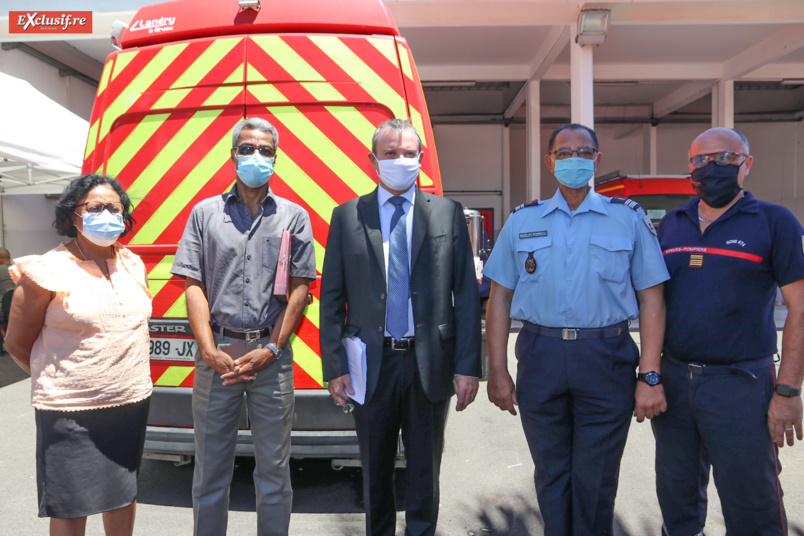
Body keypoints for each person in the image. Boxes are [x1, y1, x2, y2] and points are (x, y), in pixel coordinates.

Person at [483, 123, 670, 536]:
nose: (574, 160)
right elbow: (498, 299)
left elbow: (652, 300)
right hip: (541, 354)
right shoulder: (522, 220)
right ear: (550, 161)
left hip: (606, 357)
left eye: (584, 152)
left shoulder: (627, 219)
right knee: (551, 473)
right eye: (564, 153)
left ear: (597, 161)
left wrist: (649, 375)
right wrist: (496, 372)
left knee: (596, 477)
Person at [320, 118, 481, 536]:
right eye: (390, 154)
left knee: (425, 474)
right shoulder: (347, 216)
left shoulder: (446, 213)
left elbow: (464, 296)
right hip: (370, 366)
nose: (400, 160)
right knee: (374, 473)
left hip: (430, 365)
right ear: (372, 160)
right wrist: (334, 365)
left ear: (421, 158)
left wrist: (468, 366)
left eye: (409, 153)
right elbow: (332, 299)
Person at [653, 127, 804, 535]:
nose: (710, 167)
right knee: (677, 502)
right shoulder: (672, 224)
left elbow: (800, 308)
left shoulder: (776, 222)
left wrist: (788, 391)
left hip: (742, 384)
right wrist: (650, 376)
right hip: (675, 383)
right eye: (700, 160)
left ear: (746, 164)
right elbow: (655, 305)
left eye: (724, 158)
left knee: (752, 504)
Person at [171, 117, 316, 536]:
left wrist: (273, 347)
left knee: (274, 472)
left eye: (266, 150)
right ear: (232, 154)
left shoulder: (294, 216)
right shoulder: (205, 213)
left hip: (270, 358)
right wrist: (209, 350)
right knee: (211, 472)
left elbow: (301, 288)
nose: (256, 156)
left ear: (276, 158)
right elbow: (193, 284)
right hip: (218, 356)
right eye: (247, 148)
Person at [5, 174, 153, 536]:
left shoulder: (132, 264)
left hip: (130, 402)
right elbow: (17, 343)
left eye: (114, 208)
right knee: (71, 505)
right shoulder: (45, 271)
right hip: (69, 409)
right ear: (74, 216)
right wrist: (59, 376)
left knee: (123, 494)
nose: (106, 214)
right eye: (95, 207)